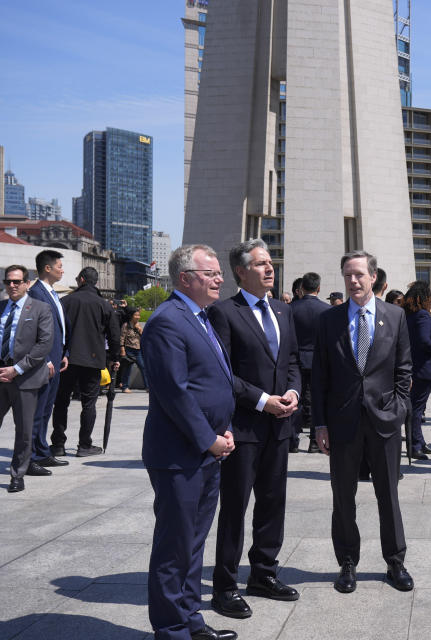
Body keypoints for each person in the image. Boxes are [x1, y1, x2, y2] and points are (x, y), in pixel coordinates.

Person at [141, 244, 237, 640]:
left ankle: (191, 621)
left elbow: (210, 382)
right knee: (174, 548)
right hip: (180, 455)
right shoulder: (167, 321)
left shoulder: (200, 317)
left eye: (218, 273)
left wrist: (223, 428)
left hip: (207, 451)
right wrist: (208, 439)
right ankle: (171, 629)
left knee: (193, 546)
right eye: (211, 274)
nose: (219, 279)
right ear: (185, 279)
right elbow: (174, 392)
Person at [208, 239, 301, 619]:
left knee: (272, 503)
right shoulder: (223, 312)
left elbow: (293, 359)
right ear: (241, 271)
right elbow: (223, 372)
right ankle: (225, 586)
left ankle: (264, 573)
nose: (269, 268)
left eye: (270, 262)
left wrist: (293, 392)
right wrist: (264, 400)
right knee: (234, 508)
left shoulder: (283, 309)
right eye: (260, 264)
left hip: (279, 428)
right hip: (244, 427)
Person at [313, 250, 413, 594]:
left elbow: (404, 369)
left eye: (359, 275)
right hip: (342, 423)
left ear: (373, 277)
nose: (353, 281)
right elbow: (320, 377)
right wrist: (320, 424)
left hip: (384, 420)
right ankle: (347, 562)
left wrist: (399, 407)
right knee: (343, 496)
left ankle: (395, 561)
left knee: (389, 494)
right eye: (347, 275)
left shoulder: (396, 316)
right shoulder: (329, 320)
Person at [51, 267, 121, 457]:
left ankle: (58, 443)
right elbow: (114, 335)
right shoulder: (103, 305)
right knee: (88, 403)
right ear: (95, 282)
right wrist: (115, 358)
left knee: (61, 402)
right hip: (92, 359)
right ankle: (84, 444)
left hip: (66, 359)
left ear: (81, 279)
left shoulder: (65, 301)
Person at [1, 265, 54, 493]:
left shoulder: (40, 308)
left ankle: (17, 475)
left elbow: (44, 345)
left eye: (17, 281)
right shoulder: (1, 307)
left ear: (27, 283)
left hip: (24, 378)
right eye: (8, 281)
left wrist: (17, 369)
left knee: (23, 431)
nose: (12, 285)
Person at [27, 250, 70, 470]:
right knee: (37, 411)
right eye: (59, 266)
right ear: (47, 268)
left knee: (46, 409)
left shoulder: (52, 294)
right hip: (43, 362)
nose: (62, 270)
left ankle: (42, 452)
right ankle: (32, 457)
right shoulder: (35, 293)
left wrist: (64, 354)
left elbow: (59, 328)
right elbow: (31, 332)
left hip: (56, 358)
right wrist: (43, 360)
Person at [290, 271, 331, 454]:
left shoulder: (290, 309)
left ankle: (292, 440)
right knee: (315, 400)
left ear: (301, 288)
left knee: (294, 399)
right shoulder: (327, 310)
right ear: (319, 288)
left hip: (295, 360)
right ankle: (315, 441)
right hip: (318, 360)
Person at [402, 281, 431, 459]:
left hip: (417, 368)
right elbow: (425, 342)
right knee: (416, 409)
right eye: (429, 297)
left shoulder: (409, 316)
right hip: (423, 369)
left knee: (416, 408)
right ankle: (415, 445)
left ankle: (419, 442)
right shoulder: (423, 317)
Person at [118, 307, 147, 393]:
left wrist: (140, 330)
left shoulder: (139, 326)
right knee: (127, 369)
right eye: (136, 315)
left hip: (138, 350)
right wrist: (122, 350)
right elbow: (122, 338)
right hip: (128, 349)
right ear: (131, 316)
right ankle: (125, 387)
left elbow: (144, 337)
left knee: (143, 367)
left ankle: (148, 387)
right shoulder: (126, 325)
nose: (138, 317)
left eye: (139, 315)